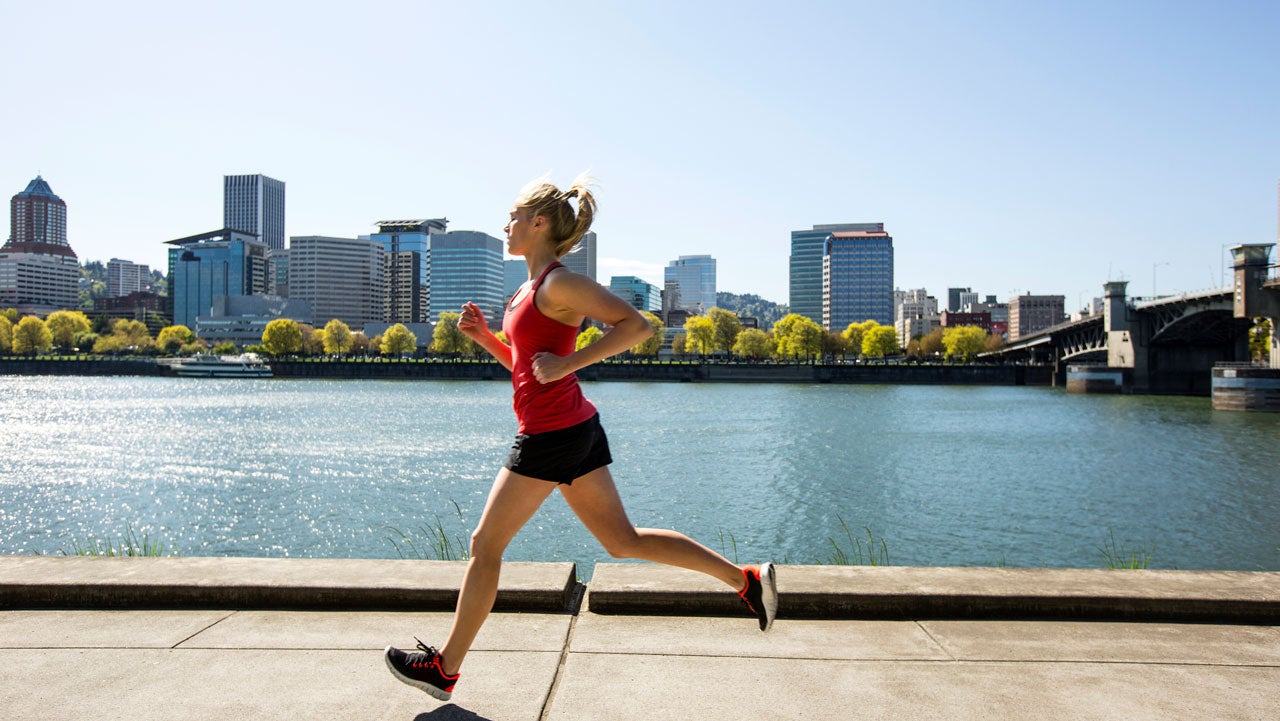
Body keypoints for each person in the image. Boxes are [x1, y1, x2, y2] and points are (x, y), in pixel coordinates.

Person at [384, 175, 777, 701]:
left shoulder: (557, 283)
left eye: (514, 216)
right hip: (571, 428)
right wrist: (486, 340)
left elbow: (637, 326)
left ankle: (445, 669)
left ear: (539, 223)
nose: (507, 224)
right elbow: (530, 369)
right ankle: (746, 581)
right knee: (623, 541)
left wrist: (571, 361)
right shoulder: (526, 290)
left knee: (485, 546)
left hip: (550, 435)